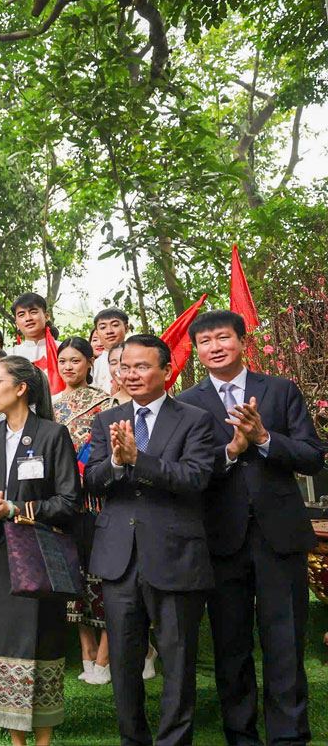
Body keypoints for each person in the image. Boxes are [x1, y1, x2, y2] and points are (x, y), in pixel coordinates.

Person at [178, 310, 324, 746]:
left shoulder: (279, 390)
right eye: (205, 342)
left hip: (279, 536)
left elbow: (313, 456)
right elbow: (190, 471)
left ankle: (289, 736)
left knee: (286, 643)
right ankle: (240, 735)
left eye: (223, 337)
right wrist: (229, 450)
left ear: (242, 341)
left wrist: (263, 440)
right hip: (221, 539)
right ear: (196, 351)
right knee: (231, 646)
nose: (215, 347)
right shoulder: (187, 403)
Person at [85, 334, 217, 746]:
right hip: (119, 559)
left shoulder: (194, 419)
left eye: (142, 366)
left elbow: (195, 478)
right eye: (125, 367)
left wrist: (139, 460)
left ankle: (174, 741)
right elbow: (90, 480)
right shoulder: (107, 420)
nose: (131, 374)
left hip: (176, 553)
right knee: (124, 662)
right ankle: (133, 739)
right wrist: (116, 464)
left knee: (178, 661)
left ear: (166, 370)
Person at [0, 355, 80, 745]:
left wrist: (14, 510)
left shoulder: (52, 434)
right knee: (1, 646)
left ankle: (41, 741)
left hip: (36, 559)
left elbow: (68, 501)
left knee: (40, 645)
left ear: (21, 388)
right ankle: (16, 741)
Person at [51, 337, 117, 686]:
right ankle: (86, 648)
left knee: (99, 573)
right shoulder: (49, 404)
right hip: (63, 502)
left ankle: (105, 652)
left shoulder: (106, 401)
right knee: (70, 575)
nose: (68, 367)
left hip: (96, 500)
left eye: (75, 360)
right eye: (63, 361)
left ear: (90, 363)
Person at [92, 308, 129, 395]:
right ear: (97, 333)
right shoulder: (93, 365)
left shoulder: (139, 357)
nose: (109, 331)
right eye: (103, 327)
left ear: (126, 328)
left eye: (115, 325)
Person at [8, 293, 52, 363]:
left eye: (33, 312)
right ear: (17, 324)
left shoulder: (63, 350)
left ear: (46, 317)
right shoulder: (9, 356)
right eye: (21, 315)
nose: (28, 318)